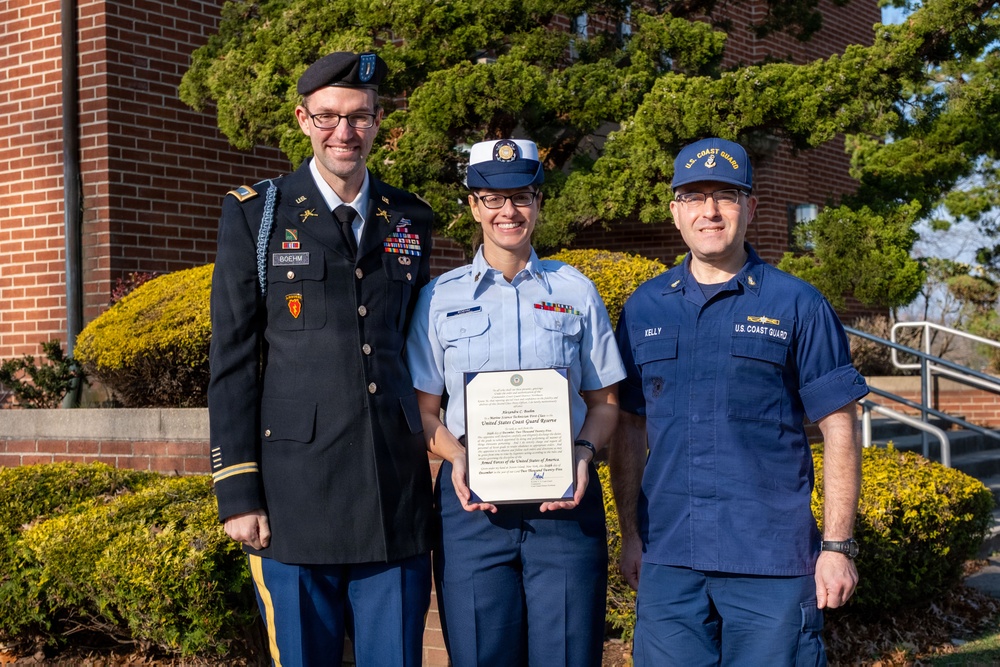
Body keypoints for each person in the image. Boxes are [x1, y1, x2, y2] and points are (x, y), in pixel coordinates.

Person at [207, 51, 434, 666]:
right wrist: (238, 491)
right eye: (329, 116)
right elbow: (233, 358)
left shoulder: (410, 217)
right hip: (294, 498)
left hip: (393, 494)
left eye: (360, 117)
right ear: (304, 120)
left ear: (378, 122)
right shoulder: (258, 213)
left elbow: (420, 349)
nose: (345, 132)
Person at [611, 137, 869, 665]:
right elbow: (629, 427)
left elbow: (840, 426)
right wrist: (630, 535)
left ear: (750, 208)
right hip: (669, 558)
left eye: (725, 196)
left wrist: (837, 547)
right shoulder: (644, 307)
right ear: (675, 212)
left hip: (770, 560)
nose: (709, 211)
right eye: (693, 196)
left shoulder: (798, 304)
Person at [406, 139, 626, 666]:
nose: (508, 211)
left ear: (539, 202)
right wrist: (457, 457)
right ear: (473, 206)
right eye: (493, 198)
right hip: (472, 511)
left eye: (522, 196)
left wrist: (583, 454)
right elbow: (423, 411)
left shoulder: (575, 291)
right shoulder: (439, 298)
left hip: (565, 510)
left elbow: (605, 402)